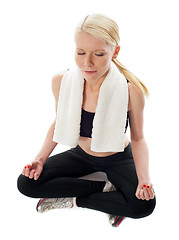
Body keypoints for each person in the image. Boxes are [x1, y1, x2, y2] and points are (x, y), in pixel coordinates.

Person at [17, 13, 156, 227]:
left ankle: (74, 200)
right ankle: (105, 190)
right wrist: (40, 159)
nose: (87, 62)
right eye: (80, 52)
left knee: (143, 205)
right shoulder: (61, 81)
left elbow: (138, 139)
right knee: (26, 184)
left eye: (99, 54)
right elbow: (58, 122)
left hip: (118, 157)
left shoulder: (130, 91)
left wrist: (144, 179)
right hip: (81, 155)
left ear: (115, 51)